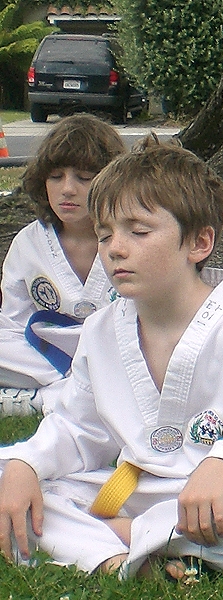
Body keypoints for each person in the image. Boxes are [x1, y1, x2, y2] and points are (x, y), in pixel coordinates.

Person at [0, 138, 223, 581]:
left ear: (198, 242)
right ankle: (135, 553)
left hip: (217, 496)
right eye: (104, 234)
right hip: (130, 490)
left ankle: (108, 544)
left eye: (138, 232)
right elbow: (77, 429)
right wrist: (28, 464)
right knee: (13, 480)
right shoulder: (101, 331)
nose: (115, 248)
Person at [0, 114, 125, 415]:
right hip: (45, 353)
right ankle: (79, 390)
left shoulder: (130, 240)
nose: (67, 189)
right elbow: (12, 325)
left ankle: (42, 399)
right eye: (56, 177)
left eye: (84, 177)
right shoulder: (28, 243)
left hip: (116, 352)